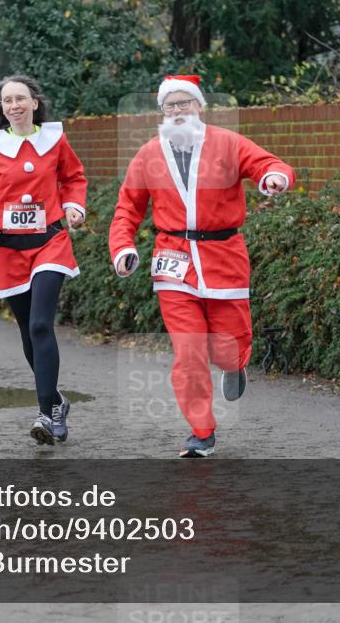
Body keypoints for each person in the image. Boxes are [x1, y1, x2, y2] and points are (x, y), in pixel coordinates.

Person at [109, 75, 293, 457]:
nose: (177, 111)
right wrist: (123, 247)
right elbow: (127, 209)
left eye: (184, 103)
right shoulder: (148, 154)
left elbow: (266, 164)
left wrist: (274, 177)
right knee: (188, 351)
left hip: (224, 256)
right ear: (161, 111)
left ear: (200, 106)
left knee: (228, 347)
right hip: (173, 262)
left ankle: (234, 365)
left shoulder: (227, 142)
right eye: (170, 106)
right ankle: (201, 431)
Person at [0, 75, 87, 446]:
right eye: (6, 101)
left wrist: (73, 206)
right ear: (1, 108)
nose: (13, 106)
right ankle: (57, 401)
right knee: (27, 333)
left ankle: (45, 415)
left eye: (20, 99)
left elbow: (74, 177)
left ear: (35, 102)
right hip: (8, 249)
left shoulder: (55, 140)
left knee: (41, 326)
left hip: (50, 243)